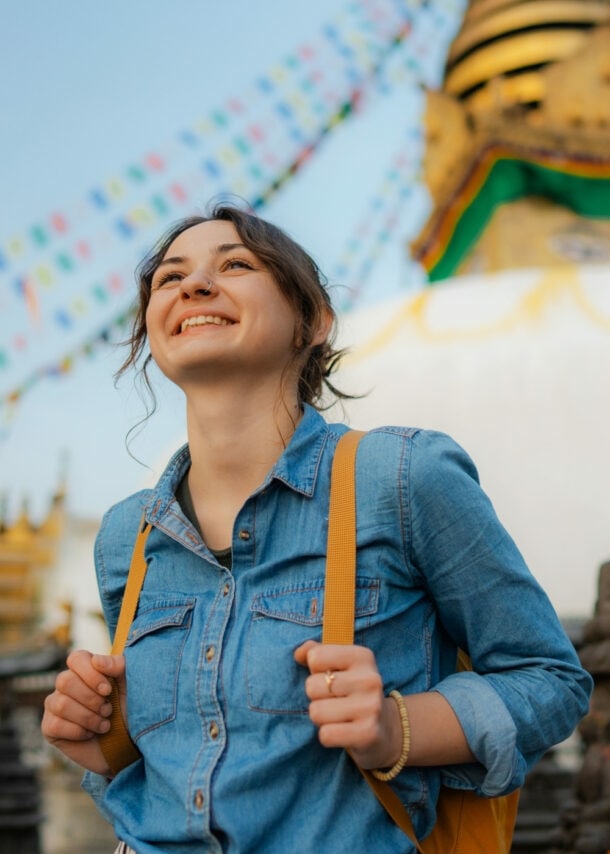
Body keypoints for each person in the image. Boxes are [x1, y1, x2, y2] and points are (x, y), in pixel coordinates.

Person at [42, 203, 592, 853]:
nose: (194, 285)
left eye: (236, 265)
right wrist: (98, 739)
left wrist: (396, 727)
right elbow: (174, 756)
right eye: (170, 278)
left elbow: (550, 681)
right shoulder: (128, 539)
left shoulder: (402, 478)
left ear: (314, 321)